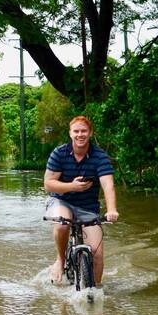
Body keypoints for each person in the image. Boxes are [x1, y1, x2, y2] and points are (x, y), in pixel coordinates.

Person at [43, 115, 118, 285]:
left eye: (84, 131)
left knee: (97, 254)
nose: (80, 135)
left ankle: (95, 291)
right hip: (61, 201)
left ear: (90, 133)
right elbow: (48, 184)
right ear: (70, 134)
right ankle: (60, 260)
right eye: (76, 131)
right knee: (63, 224)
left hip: (88, 206)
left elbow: (108, 185)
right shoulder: (59, 153)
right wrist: (71, 186)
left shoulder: (99, 156)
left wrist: (111, 209)